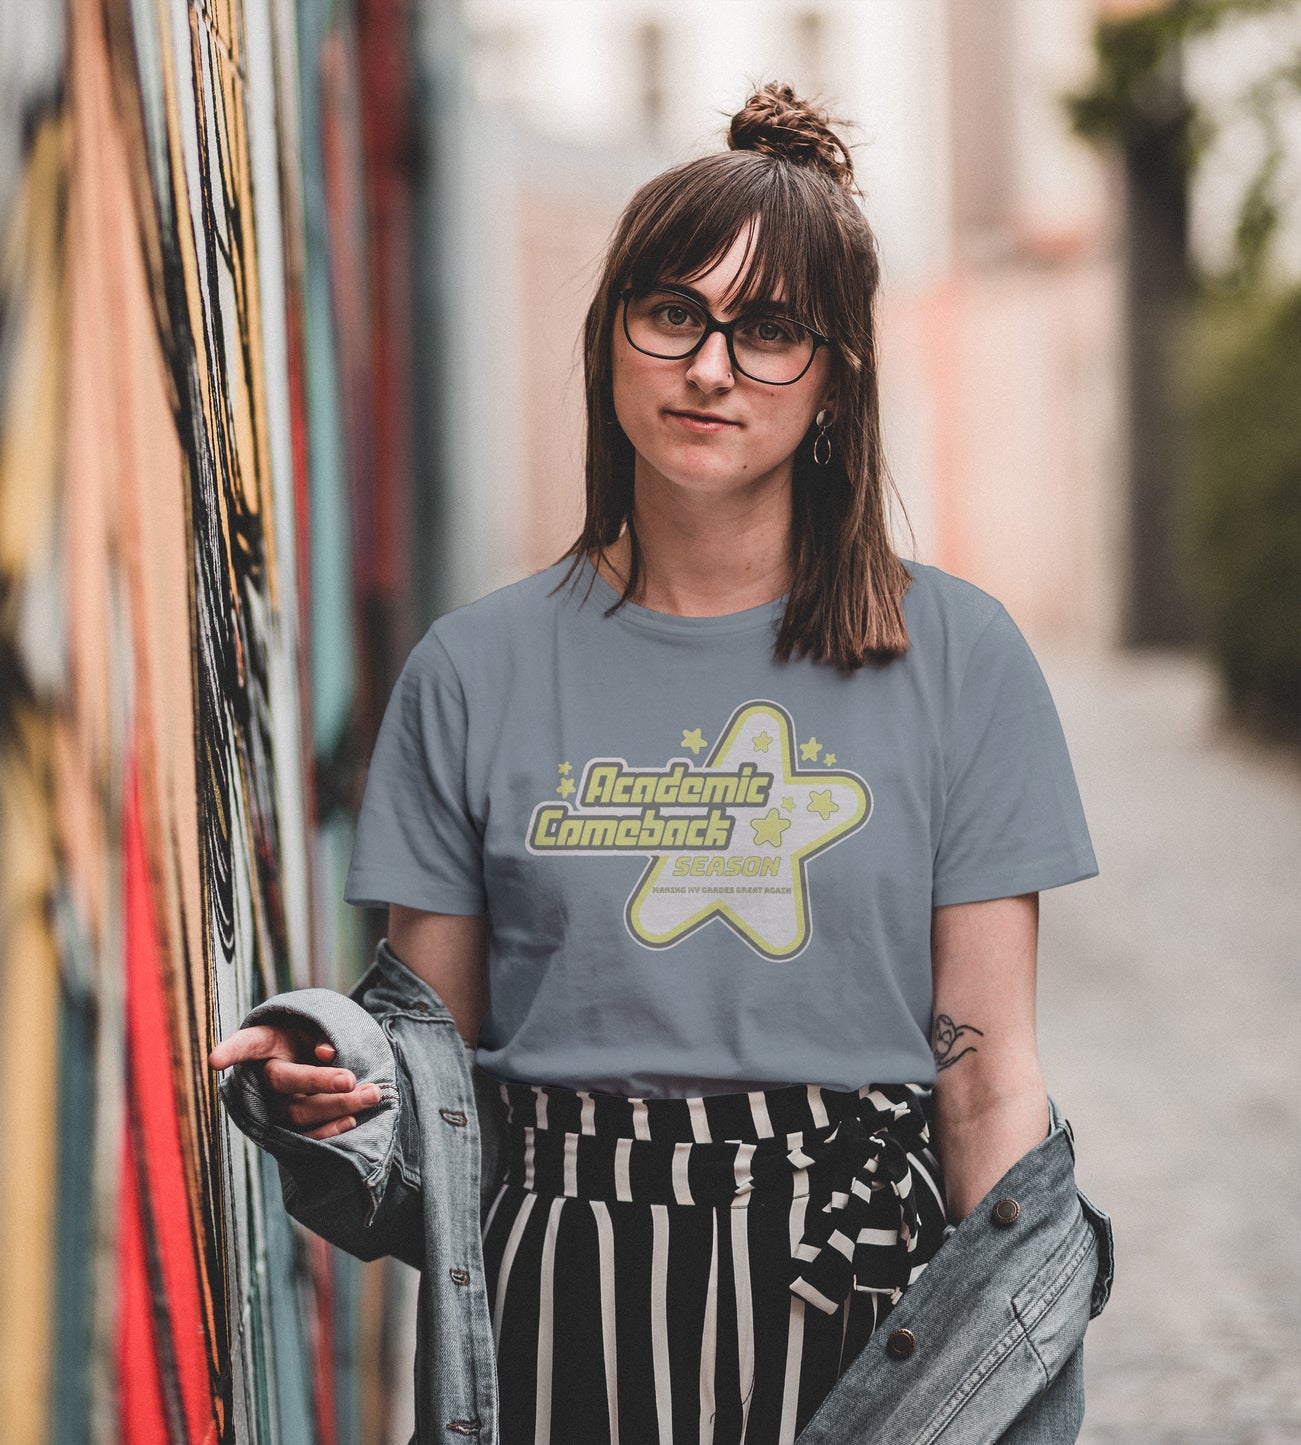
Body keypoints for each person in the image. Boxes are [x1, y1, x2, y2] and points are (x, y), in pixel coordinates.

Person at [210, 82, 1108, 1444]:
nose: (709, 367)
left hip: (862, 1301)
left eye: (769, 332)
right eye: (673, 313)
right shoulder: (474, 671)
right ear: (611, 338)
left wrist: (1013, 1373)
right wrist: (331, 1077)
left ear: (832, 378)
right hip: (558, 1295)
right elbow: (428, 1066)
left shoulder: (959, 657)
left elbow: (985, 1081)